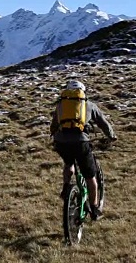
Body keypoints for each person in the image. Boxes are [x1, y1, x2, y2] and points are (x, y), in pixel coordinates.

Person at [50, 80, 117, 221]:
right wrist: (111, 137)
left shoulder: (61, 105)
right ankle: (94, 209)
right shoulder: (89, 105)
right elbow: (103, 123)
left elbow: (54, 124)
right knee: (90, 176)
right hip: (81, 142)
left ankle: (66, 187)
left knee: (69, 163)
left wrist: (55, 137)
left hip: (61, 142)